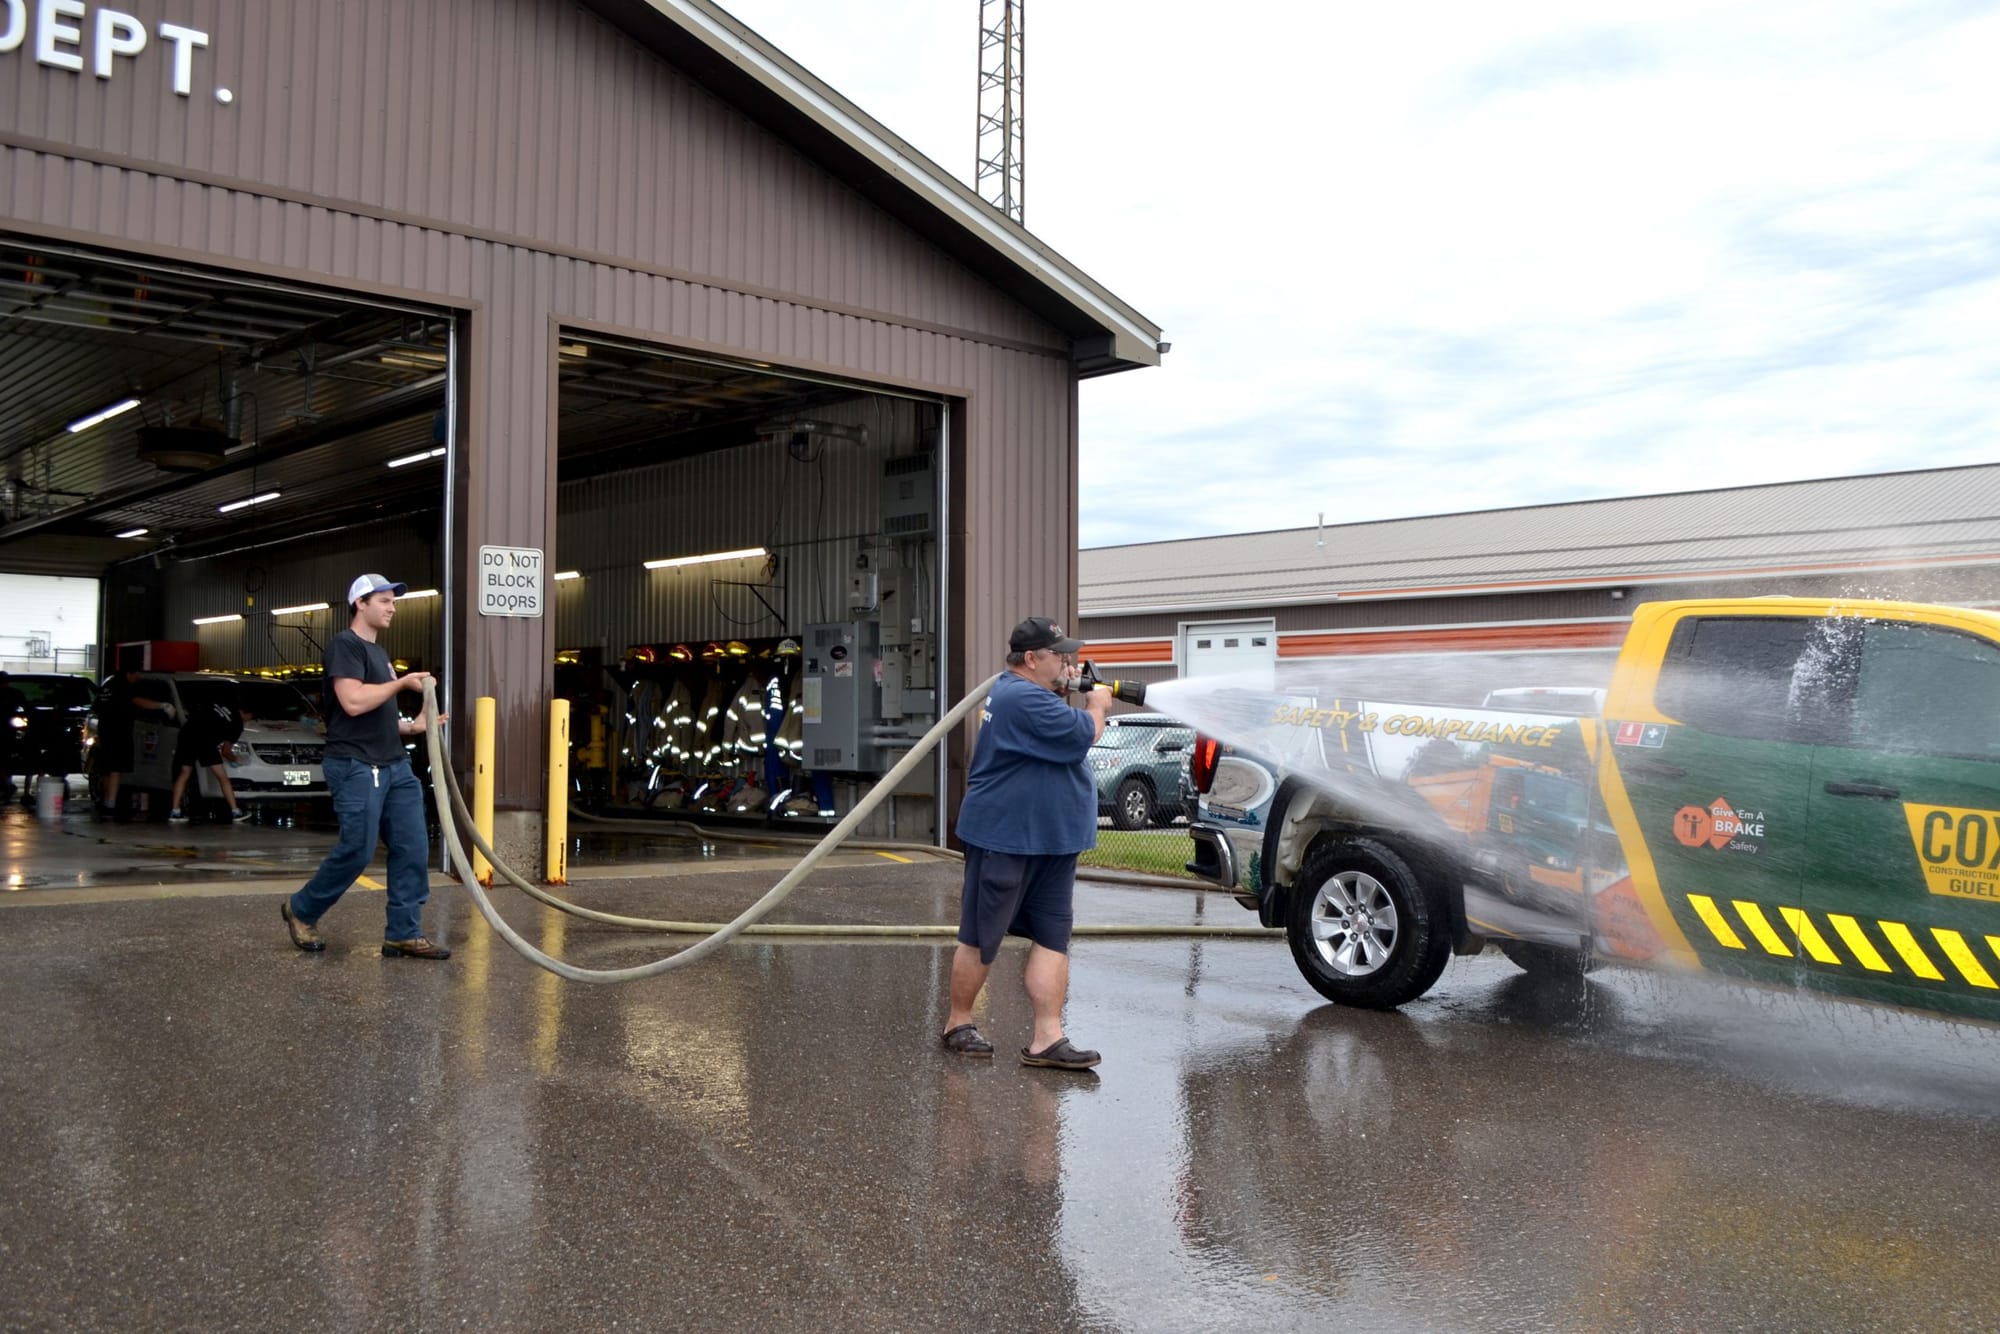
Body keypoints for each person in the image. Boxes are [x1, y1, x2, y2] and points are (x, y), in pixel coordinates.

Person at [940, 616, 1112, 1071]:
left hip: (1053, 841)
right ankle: (958, 1022)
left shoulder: (1031, 695)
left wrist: (1070, 691)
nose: (1068, 662)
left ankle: (1047, 1038)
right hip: (1007, 837)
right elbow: (1083, 734)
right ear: (1031, 659)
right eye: (1059, 655)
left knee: (1053, 937)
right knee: (982, 934)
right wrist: (1097, 703)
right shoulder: (1020, 697)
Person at [281, 574, 450, 959]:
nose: (392, 607)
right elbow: (353, 702)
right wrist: (401, 684)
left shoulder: (380, 653)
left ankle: (404, 933)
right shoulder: (346, 645)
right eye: (385, 601)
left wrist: (413, 726)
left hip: (394, 765)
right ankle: (302, 909)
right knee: (357, 849)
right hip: (355, 765)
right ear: (361, 603)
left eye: (393, 602)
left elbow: (376, 716)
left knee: (411, 846)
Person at [91, 664, 174, 818]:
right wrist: (161, 705)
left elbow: (96, 707)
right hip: (118, 731)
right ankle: (110, 804)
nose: (138, 678)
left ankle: (105, 801)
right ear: (129, 673)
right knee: (115, 768)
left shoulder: (108, 684)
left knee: (107, 769)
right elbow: (138, 701)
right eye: (137, 674)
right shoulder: (123, 686)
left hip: (105, 732)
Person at [167, 684, 249, 823]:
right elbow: (226, 751)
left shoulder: (222, 703)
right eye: (249, 718)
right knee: (223, 778)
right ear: (247, 714)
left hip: (188, 733)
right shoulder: (237, 725)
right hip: (206, 741)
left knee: (185, 773)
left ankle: (175, 812)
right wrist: (237, 760)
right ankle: (235, 811)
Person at [0, 671, 23, 800]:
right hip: (9, 732)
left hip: (9, 732)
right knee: (5, 760)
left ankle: (7, 784)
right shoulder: (15, 694)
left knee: (6, 760)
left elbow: (25, 708)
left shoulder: (14, 694)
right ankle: (7, 784)